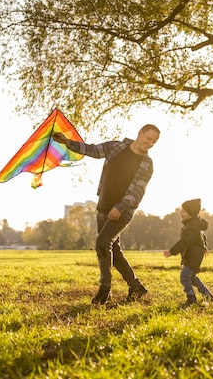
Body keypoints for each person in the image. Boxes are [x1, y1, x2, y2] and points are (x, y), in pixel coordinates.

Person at [53, 124, 160, 305]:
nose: (150, 143)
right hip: (103, 207)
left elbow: (137, 192)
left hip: (123, 211)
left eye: (154, 142)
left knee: (102, 244)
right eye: (148, 138)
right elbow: (93, 150)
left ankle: (105, 290)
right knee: (114, 252)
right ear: (139, 133)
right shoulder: (116, 147)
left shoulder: (147, 164)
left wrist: (120, 207)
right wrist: (67, 142)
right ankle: (136, 288)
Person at [163, 199, 213, 307]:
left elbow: (185, 242)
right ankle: (208, 295)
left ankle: (191, 298)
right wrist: (204, 246)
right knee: (192, 278)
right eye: (181, 211)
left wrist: (172, 251)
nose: (181, 213)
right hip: (194, 255)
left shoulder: (191, 227)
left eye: (184, 211)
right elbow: (202, 236)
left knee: (184, 276)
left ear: (191, 214)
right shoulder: (194, 225)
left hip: (193, 256)